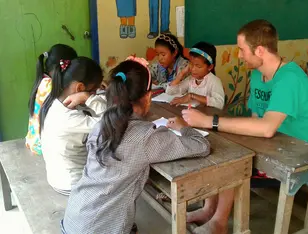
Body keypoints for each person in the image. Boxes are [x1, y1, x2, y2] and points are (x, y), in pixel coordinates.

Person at [181, 19, 308, 234]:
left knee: (232, 163)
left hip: (299, 155)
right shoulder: (257, 74)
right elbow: (256, 118)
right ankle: (209, 211)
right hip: (273, 145)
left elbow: (266, 128)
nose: (239, 55)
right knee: (218, 148)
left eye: (241, 50)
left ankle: (218, 222)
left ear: (260, 50)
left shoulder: (290, 79)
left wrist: (210, 121)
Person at [61, 56, 210, 234]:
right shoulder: (146, 136)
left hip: (73, 220)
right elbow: (201, 145)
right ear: (148, 97)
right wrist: (185, 128)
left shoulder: (101, 124)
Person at [40, 56, 106, 195]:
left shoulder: (54, 101)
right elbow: (110, 121)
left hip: (58, 177)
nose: (94, 95)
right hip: (72, 184)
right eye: (93, 91)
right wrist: (89, 99)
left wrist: (90, 97)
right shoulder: (68, 118)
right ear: (80, 88)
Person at [26, 44, 78, 155]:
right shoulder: (54, 87)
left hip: (33, 141)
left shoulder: (43, 81)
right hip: (45, 147)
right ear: (65, 67)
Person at [167, 41, 225, 109]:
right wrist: (181, 73)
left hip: (206, 117)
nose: (193, 69)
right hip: (191, 115)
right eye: (191, 64)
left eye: (198, 66)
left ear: (210, 67)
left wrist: (192, 96)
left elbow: (219, 103)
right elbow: (170, 92)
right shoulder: (191, 79)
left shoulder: (214, 81)